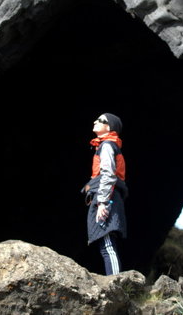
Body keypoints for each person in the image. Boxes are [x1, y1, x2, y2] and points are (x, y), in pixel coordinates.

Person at [82, 113, 128, 275]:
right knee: (106, 245)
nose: (95, 121)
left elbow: (108, 174)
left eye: (100, 120)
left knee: (107, 245)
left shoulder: (107, 145)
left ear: (109, 127)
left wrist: (102, 202)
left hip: (107, 198)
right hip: (109, 196)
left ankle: (116, 282)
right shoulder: (107, 145)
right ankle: (115, 280)